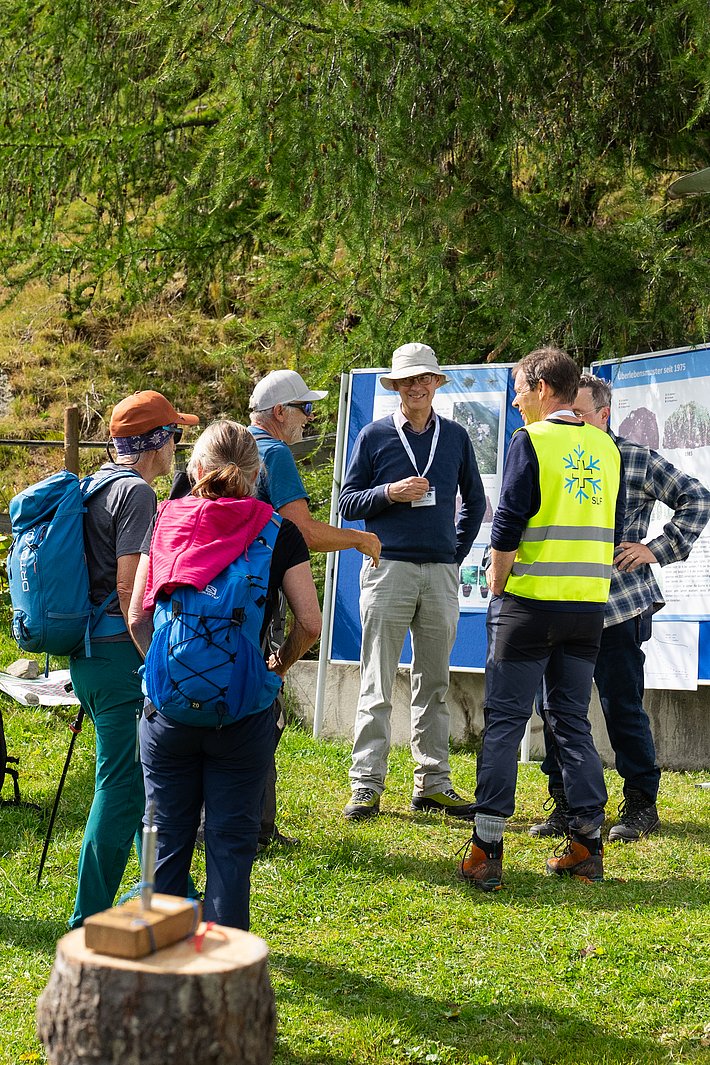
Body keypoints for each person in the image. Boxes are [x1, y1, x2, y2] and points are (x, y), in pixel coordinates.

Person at [129, 420, 321, 930]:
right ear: (258, 476)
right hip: (243, 710)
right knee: (231, 847)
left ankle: (159, 953)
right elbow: (310, 623)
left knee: (162, 837)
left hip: (167, 715)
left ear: (195, 468)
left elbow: (136, 616)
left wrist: (162, 672)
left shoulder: (164, 521)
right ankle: (225, 961)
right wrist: (274, 669)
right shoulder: (279, 532)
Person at [458, 348, 623, 890]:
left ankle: (485, 850)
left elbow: (507, 523)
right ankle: (587, 845)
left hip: (527, 604)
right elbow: (613, 523)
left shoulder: (530, 441)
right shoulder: (606, 446)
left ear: (543, 387)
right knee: (571, 721)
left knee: (505, 722)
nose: (515, 401)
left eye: (520, 390)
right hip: (587, 608)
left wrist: (497, 587)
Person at [529, 373, 710, 843]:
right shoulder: (554, 452)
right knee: (555, 708)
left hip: (619, 606)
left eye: (581, 413)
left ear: (604, 415)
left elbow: (697, 499)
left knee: (622, 707)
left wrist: (656, 549)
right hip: (561, 602)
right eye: (568, 412)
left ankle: (641, 804)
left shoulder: (635, 456)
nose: (572, 420)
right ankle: (566, 804)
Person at [339, 342, 486, 820]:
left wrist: (453, 554)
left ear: (436, 383)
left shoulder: (456, 437)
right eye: (408, 380)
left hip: (440, 573)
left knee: (434, 682)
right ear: (396, 387)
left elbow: (476, 503)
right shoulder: (374, 435)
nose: (417, 386)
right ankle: (366, 785)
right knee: (377, 681)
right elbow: (347, 503)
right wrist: (390, 493)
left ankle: (433, 783)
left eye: (424, 378)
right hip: (389, 570)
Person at [68, 390, 199, 928]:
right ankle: (88, 917)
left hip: (89, 654)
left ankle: (176, 896)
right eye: (176, 435)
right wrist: (154, 658)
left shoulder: (94, 484)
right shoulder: (138, 494)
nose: (178, 447)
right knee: (121, 789)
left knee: (142, 783)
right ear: (157, 441)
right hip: (120, 656)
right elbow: (130, 589)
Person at [246, 369, 381, 848]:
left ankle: (214, 820)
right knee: (262, 707)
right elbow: (301, 532)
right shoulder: (274, 453)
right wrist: (360, 539)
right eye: (304, 409)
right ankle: (257, 827)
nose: (309, 418)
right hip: (256, 600)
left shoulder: (225, 445)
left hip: (206, 601)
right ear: (279, 412)